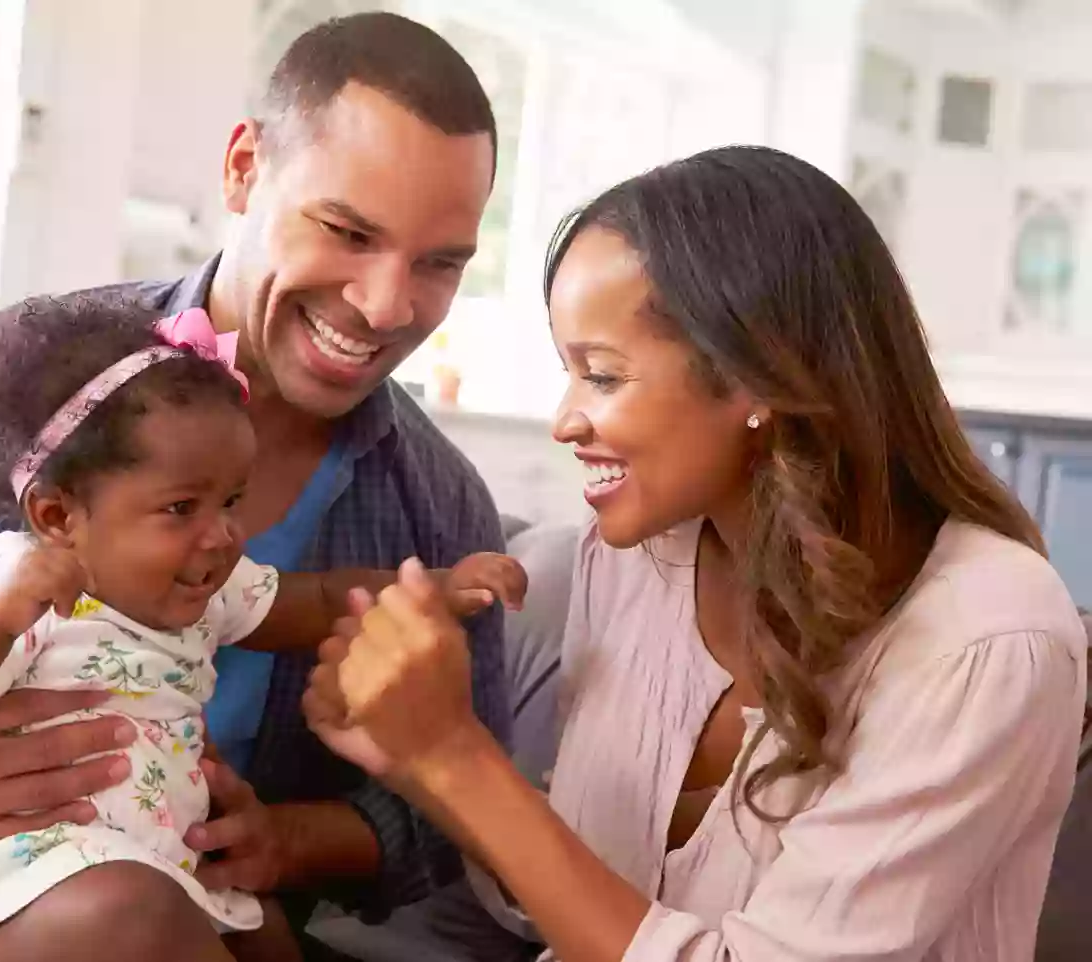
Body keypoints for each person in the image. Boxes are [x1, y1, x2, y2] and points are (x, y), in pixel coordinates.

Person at [0, 11, 508, 958]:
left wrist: (282, 842)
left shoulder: (437, 505)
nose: (387, 306)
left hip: (194, 897)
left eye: (439, 264)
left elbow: (458, 818)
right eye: (346, 231)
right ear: (241, 169)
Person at [304, 146, 1089, 961]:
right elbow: (570, 911)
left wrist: (457, 757)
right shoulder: (638, 556)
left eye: (603, 376)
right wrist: (416, 754)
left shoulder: (985, 643)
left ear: (758, 377)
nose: (566, 421)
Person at [0, 300, 524, 962]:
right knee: (136, 908)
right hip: (3, 887)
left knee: (270, 935)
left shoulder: (209, 586)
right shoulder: (20, 587)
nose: (222, 533)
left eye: (230, 501)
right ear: (57, 518)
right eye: (181, 507)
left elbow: (314, 599)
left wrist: (432, 586)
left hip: (157, 862)